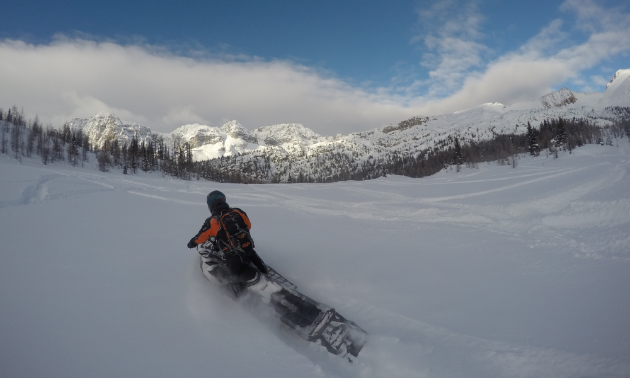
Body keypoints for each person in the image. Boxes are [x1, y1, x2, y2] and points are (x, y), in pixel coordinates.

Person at [187, 190, 269, 293]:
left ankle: (241, 299)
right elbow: (248, 225)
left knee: (233, 278)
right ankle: (265, 272)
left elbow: (201, 237)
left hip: (231, 255)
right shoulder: (238, 211)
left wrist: (192, 243)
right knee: (253, 256)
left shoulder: (212, 221)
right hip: (246, 247)